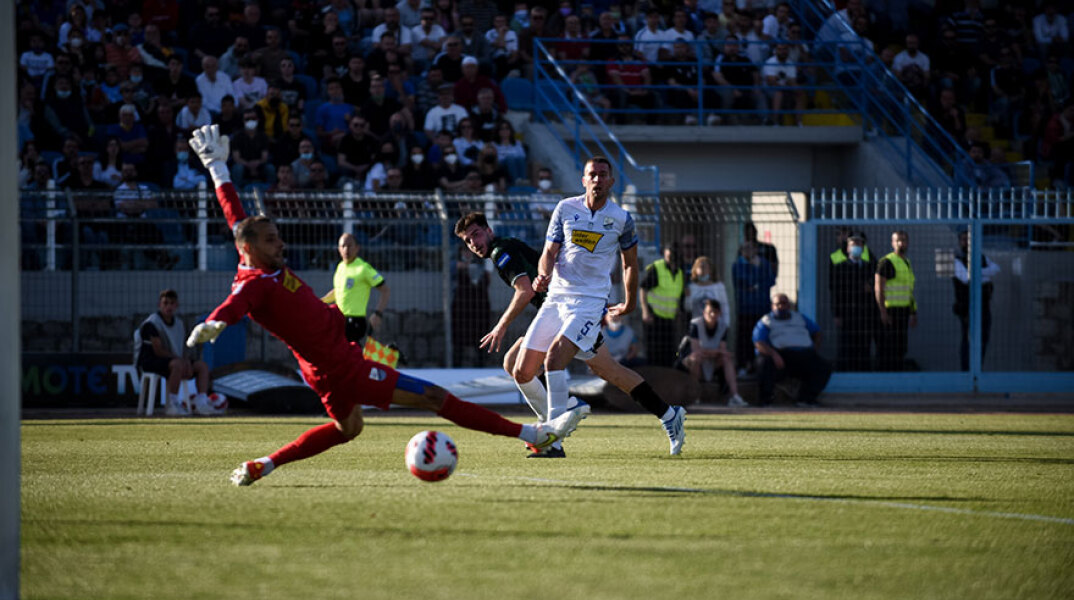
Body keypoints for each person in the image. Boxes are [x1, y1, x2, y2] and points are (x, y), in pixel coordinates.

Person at [185, 124, 589, 486]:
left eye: (277, 235)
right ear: (250, 249)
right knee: (433, 397)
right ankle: (537, 434)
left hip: (327, 363)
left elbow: (233, 214)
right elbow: (235, 304)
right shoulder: (254, 284)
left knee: (348, 429)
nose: (281, 243)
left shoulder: (250, 254)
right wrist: (214, 324)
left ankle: (263, 465)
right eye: (272, 239)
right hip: (341, 369)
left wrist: (217, 168)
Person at [454, 211, 686, 456]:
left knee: (531, 365)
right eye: (468, 241)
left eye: (476, 235)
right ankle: (669, 414)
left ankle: (560, 422)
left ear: (489, 231)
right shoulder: (505, 248)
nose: (473, 243)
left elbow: (525, 291)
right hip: (557, 314)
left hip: (572, 312)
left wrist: (500, 326)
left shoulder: (500, 253)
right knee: (606, 370)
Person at [135, 289, 219, 416]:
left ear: (176, 305)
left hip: (174, 360)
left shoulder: (179, 324)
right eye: (165, 303)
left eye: (172, 303)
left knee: (202, 366)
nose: (168, 306)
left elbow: (183, 347)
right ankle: (172, 404)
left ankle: (201, 402)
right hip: (150, 361)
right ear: (160, 305)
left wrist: (186, 362)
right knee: (177, 365)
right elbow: (158, 350)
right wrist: (180, 361)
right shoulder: (151, 323)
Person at [753, 293, 832, 407]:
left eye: (784, 303)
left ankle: (806, 399)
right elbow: (759, 343)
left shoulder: (799, 318)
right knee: (763, 362)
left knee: (823, 367)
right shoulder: (766, 321)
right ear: (772, 306)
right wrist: (774, 354)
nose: (781, 306)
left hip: (803, 355)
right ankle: (766, 400)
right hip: (781, 356)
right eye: (777, 304)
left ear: (789, 306)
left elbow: (817, 332)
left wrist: (814, 347)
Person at [320, 233, 391, 344]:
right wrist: (321, 302)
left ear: (357, 248)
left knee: (348, 356)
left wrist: (378, 314)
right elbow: (338, 291)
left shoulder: (363, 268)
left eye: (350, 245)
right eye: (343, 246)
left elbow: (385, 290)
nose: (346, 249)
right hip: (339, 319)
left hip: (355, 321)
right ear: (339, 249)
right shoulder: (340, 267)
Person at [683, 299, 746, 407]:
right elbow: (696, 350)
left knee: (726, 359)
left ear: (720, 313)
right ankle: (694, 396)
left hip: (712, 361)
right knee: (696, 359)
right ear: (704, 313)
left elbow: (722, 351)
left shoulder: (723, 326)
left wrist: (715, 352)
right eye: (709, 312)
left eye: (715, 312)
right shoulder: (695, 324)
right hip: (695, 361)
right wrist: (716, 352)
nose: (712, 315)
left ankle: (735, 396)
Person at [952, 229, 1000, 371]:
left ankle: (977, 371)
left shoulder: (981, 257)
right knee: (968, 340)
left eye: (968, 239)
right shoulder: (955, 259)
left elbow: (996, 269)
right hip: (965, 307)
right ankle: (966, 372)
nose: (965, 242)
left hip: (983, 305)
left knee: (983, 339)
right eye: (963, 239)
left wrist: (976, 273)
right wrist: (984, 275)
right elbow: (966, 278)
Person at [830, 232, 878, 372]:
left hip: (866, 312)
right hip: (847, 312)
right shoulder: (840, 267)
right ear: (848, 248)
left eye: (859, 244)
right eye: (853, 244)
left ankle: (863, 373)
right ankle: (845, 372)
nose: (856, 246)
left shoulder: (870, 265)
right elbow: (836, 291)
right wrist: (837, 313)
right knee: (847, 343)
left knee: (864, 343)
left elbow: (877, 282)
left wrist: (871, 285)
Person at [732, 239, 776, 377]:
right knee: (744, 339)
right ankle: (743, 366)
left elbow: (770, 280)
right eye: (745, 248)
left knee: (760, 338)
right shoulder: (737, 264)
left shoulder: (763, 263)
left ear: (756, 250)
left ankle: (759, 366)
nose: (748, 251)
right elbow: (742, 281)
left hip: (761, 307)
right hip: (745, 308)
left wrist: (757, 275)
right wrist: (755, 278)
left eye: (751, 248)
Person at [875, 230, 917, 372]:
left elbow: (908, 289)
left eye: (904, 240)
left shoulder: (906, 262)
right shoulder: (887, 261)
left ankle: (898, 378)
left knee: (901, 347)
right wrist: (883, 312)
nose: (901, 243)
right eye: (898, 240)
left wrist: (913, 311)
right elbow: (879, 288)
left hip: (903, 310)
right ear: (892, 243)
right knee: (889, 347)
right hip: (890, 311)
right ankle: (886, 379)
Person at [640, 243, 685, 367]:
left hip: (669, 319)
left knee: (669, 354)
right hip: (654, 317)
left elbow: (678, 295)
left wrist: (678, 312)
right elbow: (643, 289)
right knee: (654, 354)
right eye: (669, 251)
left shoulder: (680, 272)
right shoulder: (657, 268)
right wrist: (645, 311)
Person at [684, 256, 730, 327]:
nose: (703, 270)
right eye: (700, 267)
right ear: (695, 270)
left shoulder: (719, 286)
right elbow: (688, 308)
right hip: (697, 326)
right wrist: (688, 297)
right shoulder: (691, 287)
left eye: (705, 267)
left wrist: (726, 324)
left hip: (716, 327)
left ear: (710, 270)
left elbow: (724, 307)